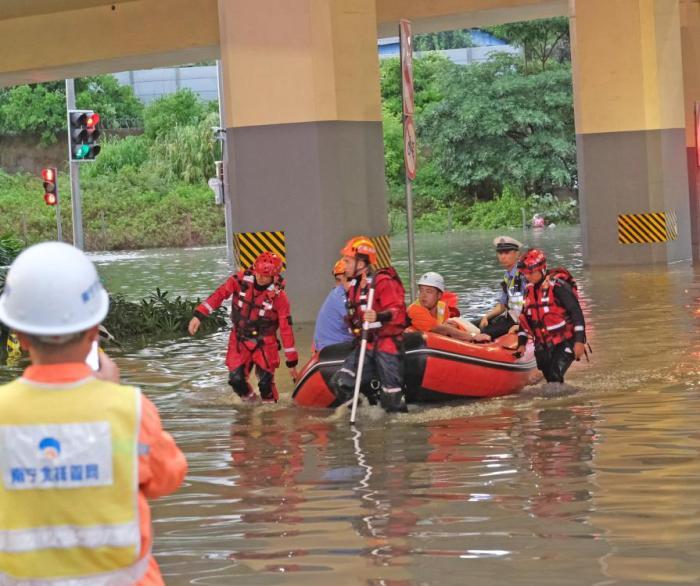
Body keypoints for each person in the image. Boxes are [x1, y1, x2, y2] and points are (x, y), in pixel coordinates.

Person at [0, 241, 187, 585]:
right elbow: (167, 477)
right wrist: (110, 395)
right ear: (93, 331)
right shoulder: (128, 411)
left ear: (20, 337)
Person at [189, 251, 298, 403]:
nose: (260, 278)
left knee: (266, 384)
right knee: (236, 380)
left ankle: (270, 415)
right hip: (239, 340)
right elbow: (219, 295)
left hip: (265, 343)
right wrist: (199, 315)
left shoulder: (280, 298)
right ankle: (251, 404)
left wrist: (291, 362)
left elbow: (286, 329)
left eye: (265, 276)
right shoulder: (238, 281)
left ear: (274, 277)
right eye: (258, 273)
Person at [330, 236, 408, 413]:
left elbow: (398, 311)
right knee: (340, 382)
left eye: (347, 260)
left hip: (387, 346)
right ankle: (363, 414)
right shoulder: (355, 287)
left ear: (361, 263)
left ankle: (398, 429)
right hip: (366, 346)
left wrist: (379, 315)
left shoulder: (382, 281)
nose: (344, 264)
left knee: (392, 399)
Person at [515, 248, 587, 383]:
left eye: (531, 273)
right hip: (544, 343)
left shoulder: (558, 287)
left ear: (542, 269)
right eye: (525, 273)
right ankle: (559, 400)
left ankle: (559, 402)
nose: (527, 276)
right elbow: (525, 320)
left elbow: (576, 312)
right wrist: (521, 344)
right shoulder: (528, 291)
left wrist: (579, 341)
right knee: (549, 376)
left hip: (567, 340)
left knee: (554, 375)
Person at [408, 272, 490, 342]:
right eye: (421, 291)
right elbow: (439, 328)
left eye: (429, 291)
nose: (423, 295)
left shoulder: (442, 307)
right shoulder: (414, 309)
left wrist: (451, 326)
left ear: (439, 295)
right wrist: (473, 336)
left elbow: (445, 328)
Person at [477, 236, 527, 339]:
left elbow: (533, 305)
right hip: (510, 317)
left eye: (507, 253)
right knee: (475, 325)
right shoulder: (507, 276)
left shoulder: (524, 275)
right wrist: (487, 316)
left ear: (517, 254)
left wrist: (523, 327)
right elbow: (502, 306)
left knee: (482, 332)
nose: (503, 256)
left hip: (521, 321)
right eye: (500, 253)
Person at [313, 259, 354, 352]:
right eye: (338, 280)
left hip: (327, 345)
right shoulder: (341, 295)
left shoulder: (336, 293)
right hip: (333, 348)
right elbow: (357, 322)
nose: (338, 284)